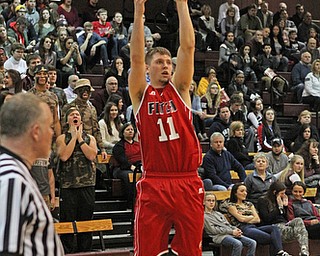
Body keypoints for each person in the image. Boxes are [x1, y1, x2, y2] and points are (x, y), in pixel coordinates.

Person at [128, 0, 204, 254]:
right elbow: (136, 57)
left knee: (191, 250)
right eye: (160, 62)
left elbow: (188, 47)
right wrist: (139, 12)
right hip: (155, 181)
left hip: (187, 180)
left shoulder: (180, 90)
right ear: (149, 68)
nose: (166, 66)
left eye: (169, 62)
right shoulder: (141, 93)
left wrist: (182, 4)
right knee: (147, 250)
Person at [0, 93, 64, 255]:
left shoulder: (12, 171)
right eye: (49, 126)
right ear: (36, 131)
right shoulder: (12, 179)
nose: (53, 133)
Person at [56, 107, 97, 253]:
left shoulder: (90, 138)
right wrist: (73, 137)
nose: (75, 116)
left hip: (87, 184)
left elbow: (92, 156)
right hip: (68, 185)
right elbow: (64, 156)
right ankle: (67, 251)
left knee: (86, 221)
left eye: (77, 114)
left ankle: (85, 251)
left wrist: (80, 138)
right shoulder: (62, 138)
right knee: (67, 222)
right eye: (72, 114)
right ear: (67, 120)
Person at [226, 182, 290, 256]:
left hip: (254, 227)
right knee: (273, 238)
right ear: (235, 193)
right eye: (242, 191)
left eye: (246, 191)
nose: (245, 193)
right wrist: (250, 217)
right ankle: (279, 252)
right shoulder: (231, 206)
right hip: (243, 228)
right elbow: (241, 220)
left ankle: (280, 252)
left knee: (274, 228)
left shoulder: (249, 204)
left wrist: (246, 217)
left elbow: (257, 219)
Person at [257, 181, 310, 256]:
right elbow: (267, 218)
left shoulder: (280, 199)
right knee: (301, 231)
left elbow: (284, 217)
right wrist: (280, 207)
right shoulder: (262, 200)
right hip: (274, 226)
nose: (283, 195)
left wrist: (285, 207)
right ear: (275, 192)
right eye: (282, 193)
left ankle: (304, 250)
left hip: (284, 224)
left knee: (298, 220)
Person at [112, 122, 141, 207]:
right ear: (123, 132)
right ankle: (131, 203)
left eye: (132, 129)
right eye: (128, 130)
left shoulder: (138, 144)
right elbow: (122, 160)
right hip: (122, 168)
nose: (130, 131)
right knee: (129, 176)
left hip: (138, 166)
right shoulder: (119, 146)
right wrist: (132, 167)